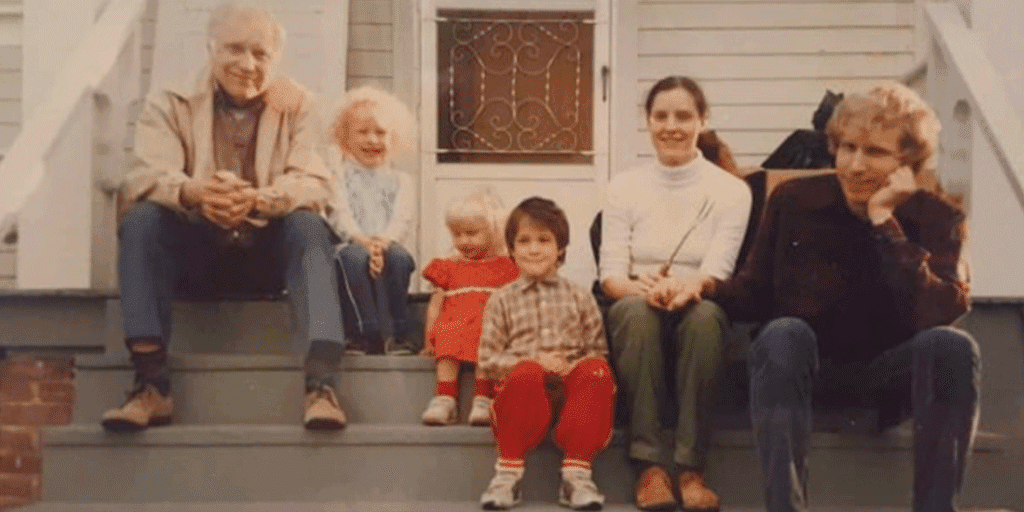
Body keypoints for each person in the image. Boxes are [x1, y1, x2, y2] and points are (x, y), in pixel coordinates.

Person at [686, 82, 979, 512]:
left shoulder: (938, 218)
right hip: (803, 373)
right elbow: (752, 292)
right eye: (847, 148)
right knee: (783, 333)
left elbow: (934, 314)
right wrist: (702, 285)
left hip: (887, 382)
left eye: (875, 152)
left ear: (907, 163)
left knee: (954, 347)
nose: (856, 166)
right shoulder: (794, 201)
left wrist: (885, 223)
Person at [105, 2, 347, 431]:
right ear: (210, 47)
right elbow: (144, 175)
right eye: (235, 49)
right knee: (141, 219)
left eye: (261, 53)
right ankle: (151, 384)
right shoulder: (170, 100)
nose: (247, 64)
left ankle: (321, 387)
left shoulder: (303, 106)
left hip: (267, 259)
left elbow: (316, 182)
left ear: (276, 58)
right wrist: (194, 192)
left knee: (310, 224)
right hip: (196, 255)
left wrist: (258, 200)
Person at [600, 76, 751, 511]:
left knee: (704, 321)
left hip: (698, 296)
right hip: (635, 295)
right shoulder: (623, 186)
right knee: (634, 314)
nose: (671, 126)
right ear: (647, 122)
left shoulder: (730, 191)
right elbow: (611, 274)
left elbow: (718, 269)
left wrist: (686, 288)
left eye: (684, 116)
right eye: (660, 115)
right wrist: (643, 288)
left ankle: (690, 468)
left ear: (703, 121)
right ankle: (648, 466)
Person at [478, 197, 614, 511]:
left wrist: (571, 366)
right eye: (523, 241)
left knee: (595, 371)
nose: (534, 249)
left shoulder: (579, 297)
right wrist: (534, 363)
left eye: (544, 240)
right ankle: (507, 476)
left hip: (571, 395)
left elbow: (598, 352)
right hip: (523, 395)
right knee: (525, 373)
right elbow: (487, 361)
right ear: (511, 249)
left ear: (561, 248)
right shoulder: (501, 300)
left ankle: (576, 476)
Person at [327, 85, 417, 355]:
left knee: (400, 259)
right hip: (351, 244)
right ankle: (362, 333)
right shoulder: (337, 177)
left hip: (385, 244)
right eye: (363, 132)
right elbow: (339, 215)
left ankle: (399, 333)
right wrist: (362, 241)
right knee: (353, 259)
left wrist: (382, 243)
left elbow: (401, 219)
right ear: (345, 139)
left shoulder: (402, 181)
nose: (372, 140)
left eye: (380, 132)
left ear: (394, 138)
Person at [420, 188, 519, 426]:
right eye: (456, 234)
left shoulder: (506, 267)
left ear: (494, 231)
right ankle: (445, 398)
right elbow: (436, 305)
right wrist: (428, 338)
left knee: (487, 337)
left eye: (472, 233)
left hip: (487, 326)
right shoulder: (449, 267)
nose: (463, 241)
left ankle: (483, 397)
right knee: (447, 335)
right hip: (453, 322)